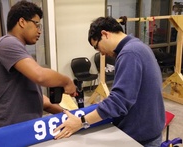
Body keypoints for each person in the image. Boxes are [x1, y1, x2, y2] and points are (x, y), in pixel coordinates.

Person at [54, 16, 165, 147]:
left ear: (105, 34)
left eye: (97, 47)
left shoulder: (129, 53)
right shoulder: (139, 46)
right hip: (150, 130)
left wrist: (81, 122)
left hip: (139, 138)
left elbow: (119, 102)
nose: (101, 53)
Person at [0, 1, 76, 130]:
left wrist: (69, 115)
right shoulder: (7, 43)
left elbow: (41, 100)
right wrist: (67, 82)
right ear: (22, 22)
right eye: (37, 25)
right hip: (9, 130)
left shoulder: (19, 52)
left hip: (25, 127)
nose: (39, 31)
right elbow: (40, 75)